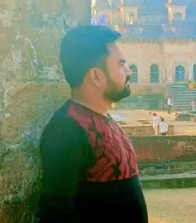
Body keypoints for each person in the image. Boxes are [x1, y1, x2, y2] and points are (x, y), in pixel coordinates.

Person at [38, 24, 148, 223]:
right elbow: (57, 213)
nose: (129, 71)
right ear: (96, 76)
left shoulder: (101, 118)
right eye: (121, 65)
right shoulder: (67, 130)